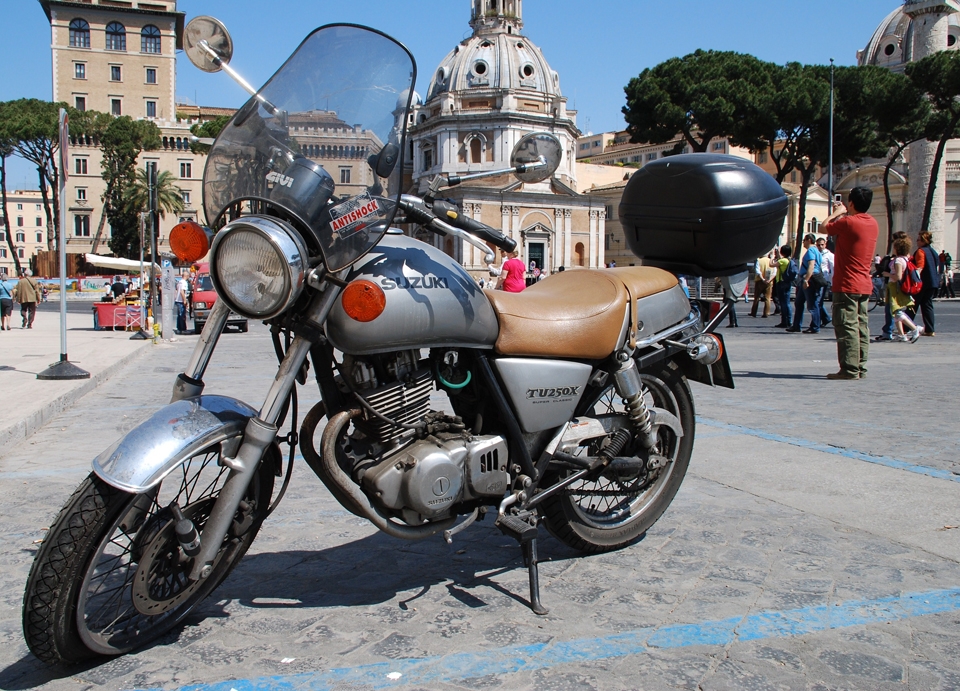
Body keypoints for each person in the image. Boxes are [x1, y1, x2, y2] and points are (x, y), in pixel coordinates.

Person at [820, 187, 880, 379]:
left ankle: (849, 369)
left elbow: (823, 227)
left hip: (847, 283)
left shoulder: (848, 222)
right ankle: (860, 366)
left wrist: (838, 212)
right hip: (864, 283)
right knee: (861, 326)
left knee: (846, 326)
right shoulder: (873, 223)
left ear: (851, 203)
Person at [883, 234, 922, 343]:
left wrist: (887, 274)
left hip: (895, 287)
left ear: (897, 248)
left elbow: (898, 276)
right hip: (895, 287)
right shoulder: (905, 259)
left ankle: (914, 328)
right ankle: (901, 334)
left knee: (897, 311)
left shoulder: (898, 261)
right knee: (894, 311)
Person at [786, 234, 824, 334]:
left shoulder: (811, 251)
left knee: (812, 304)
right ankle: (796, 325)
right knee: (798, 302)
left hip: (809, 279)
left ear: (809, 240)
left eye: (804, 240)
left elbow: (811, 266)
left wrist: (806, 280)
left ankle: (815, 326)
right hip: (808, 278)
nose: (803, 242)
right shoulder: (817, 251)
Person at [913, 231, 939, 337]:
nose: (917, 241)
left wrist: (915, 278)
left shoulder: (921, 251)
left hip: (922, 282)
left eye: (918, 239)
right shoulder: (933, 251)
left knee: (913, 304)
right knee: (927, 305)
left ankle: (905, 327)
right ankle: (929, 329)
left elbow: (920, 266)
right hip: (932, 282)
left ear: (924, 241)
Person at [774, 245, 797, 328]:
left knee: (783, 303)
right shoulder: (789, 260)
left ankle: (785, 321)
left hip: (781, 282)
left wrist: (771, 258)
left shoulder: (782, 261)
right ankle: (788, 320)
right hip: (787, 282)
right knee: (787, 302)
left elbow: (771, 264)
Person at [749, 251, 776, 318]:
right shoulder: (771, 261)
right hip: (769, 282)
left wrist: (762, 279)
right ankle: (766, 312)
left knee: (757, 297)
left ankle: (754, 312)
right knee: (768, 298)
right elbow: (774, 272)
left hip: (759, 281)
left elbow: (758, 271)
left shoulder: (759, 260)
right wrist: (769, 280)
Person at [816, 236, 834, 326]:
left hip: (824, 279)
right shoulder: (815, 253)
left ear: (825, 244)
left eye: (822, 245)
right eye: (819, 245)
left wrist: (832, 282)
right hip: (816, 279)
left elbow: (833, 268)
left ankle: (819, 320)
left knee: (818, 301)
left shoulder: (829, 255)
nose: (820, 247)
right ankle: (825, 318)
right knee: (818, 301)